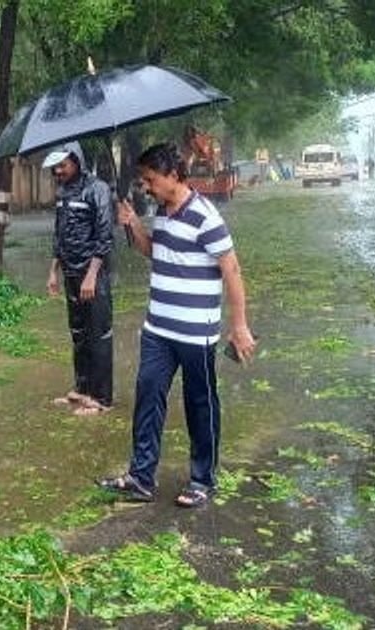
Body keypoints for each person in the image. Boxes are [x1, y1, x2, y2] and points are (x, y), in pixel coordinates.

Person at [103, 142, 256, 509]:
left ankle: (202, 479)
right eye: (143, 180)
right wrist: (134, 225)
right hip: (158, 328)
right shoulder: (162, 211)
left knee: (199, 403)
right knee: (148, 398)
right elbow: (155, 251)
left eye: (151, 179)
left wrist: (239, 326)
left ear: (173, 175)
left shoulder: (205, 216)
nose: (146, 186)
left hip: (195, 332)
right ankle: (141, 477)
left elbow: (231, 270)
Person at [42, 141, 115, 416]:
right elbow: (58, 234)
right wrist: (53, 270)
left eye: (62, 165)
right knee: (79, 334)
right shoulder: (62, 192)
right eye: (55, 167)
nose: (58, 171)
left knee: (99, 334)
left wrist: (92, 275)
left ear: (77, 161)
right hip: (71, 272)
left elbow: (105, 236)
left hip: (93, 274)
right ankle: (82, 389)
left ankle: (102, 399)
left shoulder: (98, 189)